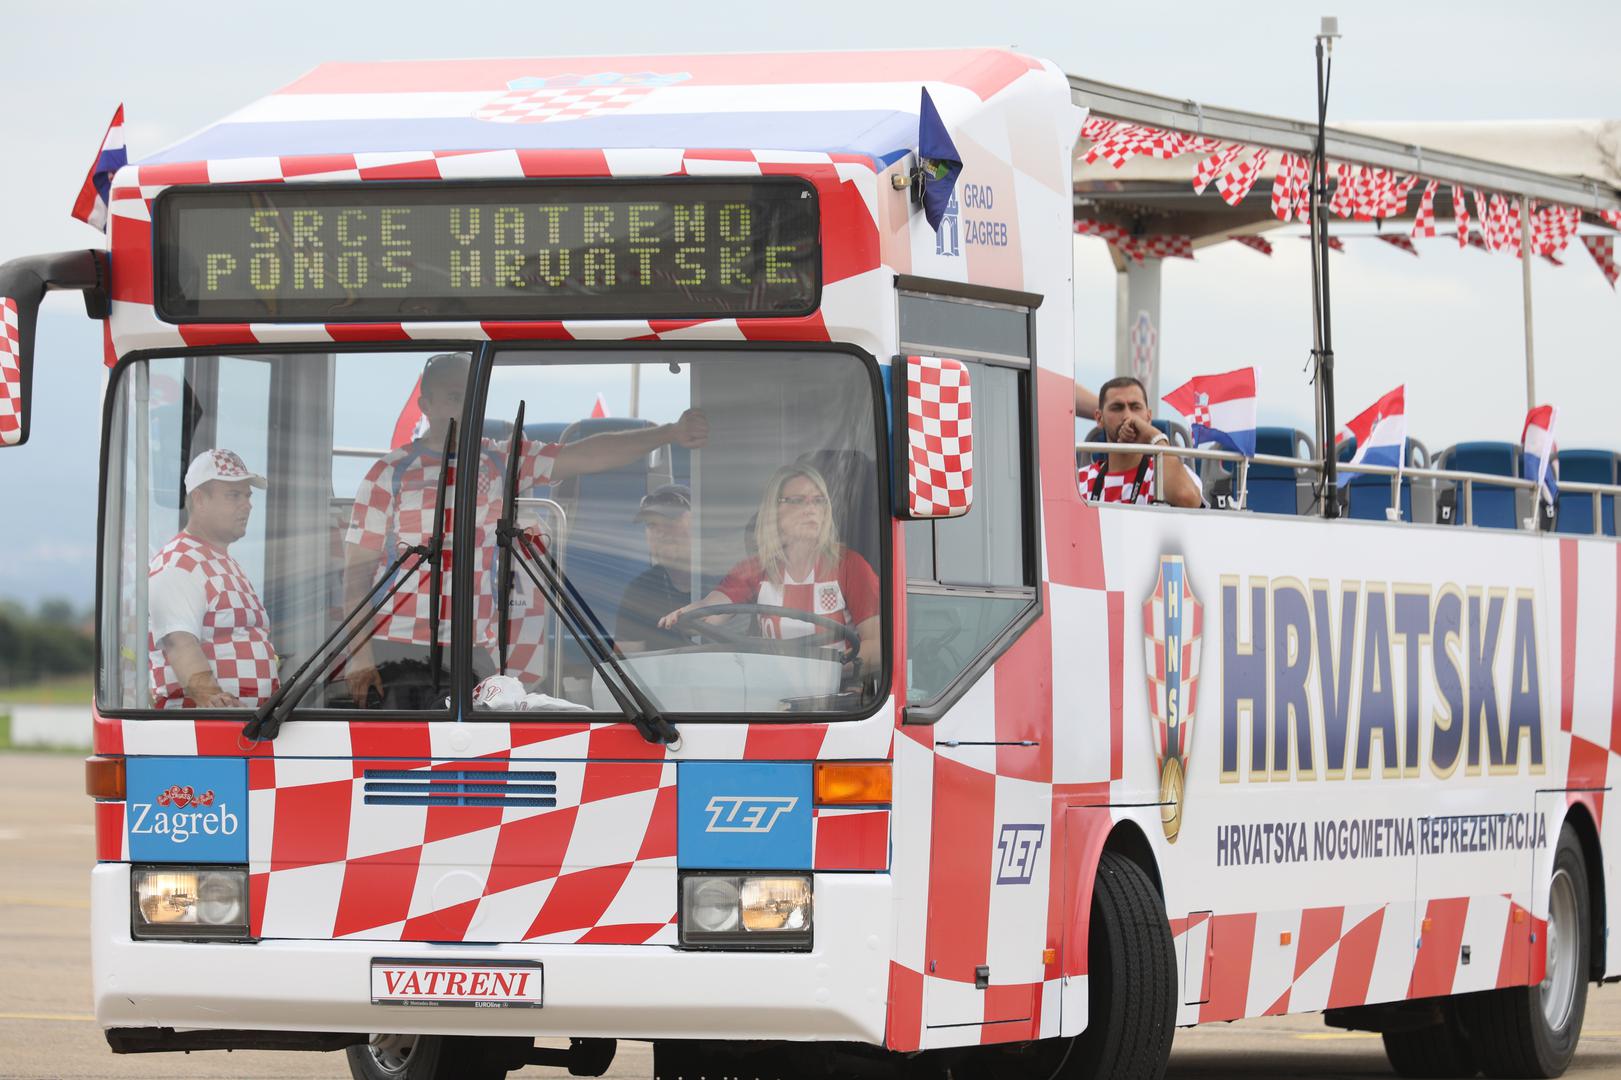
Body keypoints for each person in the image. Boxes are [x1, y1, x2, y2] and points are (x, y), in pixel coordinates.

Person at [342, 351, 709, 708]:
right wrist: (360, 657)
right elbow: (357, 577)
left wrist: (669, 432)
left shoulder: (501, 461)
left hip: (473, 651)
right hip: (397, 648)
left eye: (473, 396)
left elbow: (585, 455)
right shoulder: (389, 472)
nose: (466, 407)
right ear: (426, 405)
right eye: (455, 397)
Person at [658, 465, 880, 680]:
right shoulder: (757, 568)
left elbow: (877, 646)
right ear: (774, 511)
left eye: (819, 500)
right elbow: (713, 609)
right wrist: (688, 614)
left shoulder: (850, 566)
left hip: (837, 702)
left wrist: (830, 672)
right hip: (772, 700)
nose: (811, 508)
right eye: (797, 500)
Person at [147, 449, 278, 709]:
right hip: (206, 732)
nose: (247, 504)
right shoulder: (179, 563)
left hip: (236, 729)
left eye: (247, 496)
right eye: (234, 495)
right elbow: (179, 643)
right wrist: (214, 703)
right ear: (199, 499)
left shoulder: (220, 560)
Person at [1078, 375, 1203, 508]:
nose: (1128, 416)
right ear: (1099, 418)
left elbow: (1187, 499)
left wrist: (1155, 436)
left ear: (1149, 417)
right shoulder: (1080, 479)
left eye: (1135, 407)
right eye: (1117, 408)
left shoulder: (1166, 475)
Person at [613, 484, 710, 653]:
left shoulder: (724, 581)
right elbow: (626, 663)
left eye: (670, 521)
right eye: (651, 525)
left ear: (698, 525)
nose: (660, 532)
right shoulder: (640, 590)